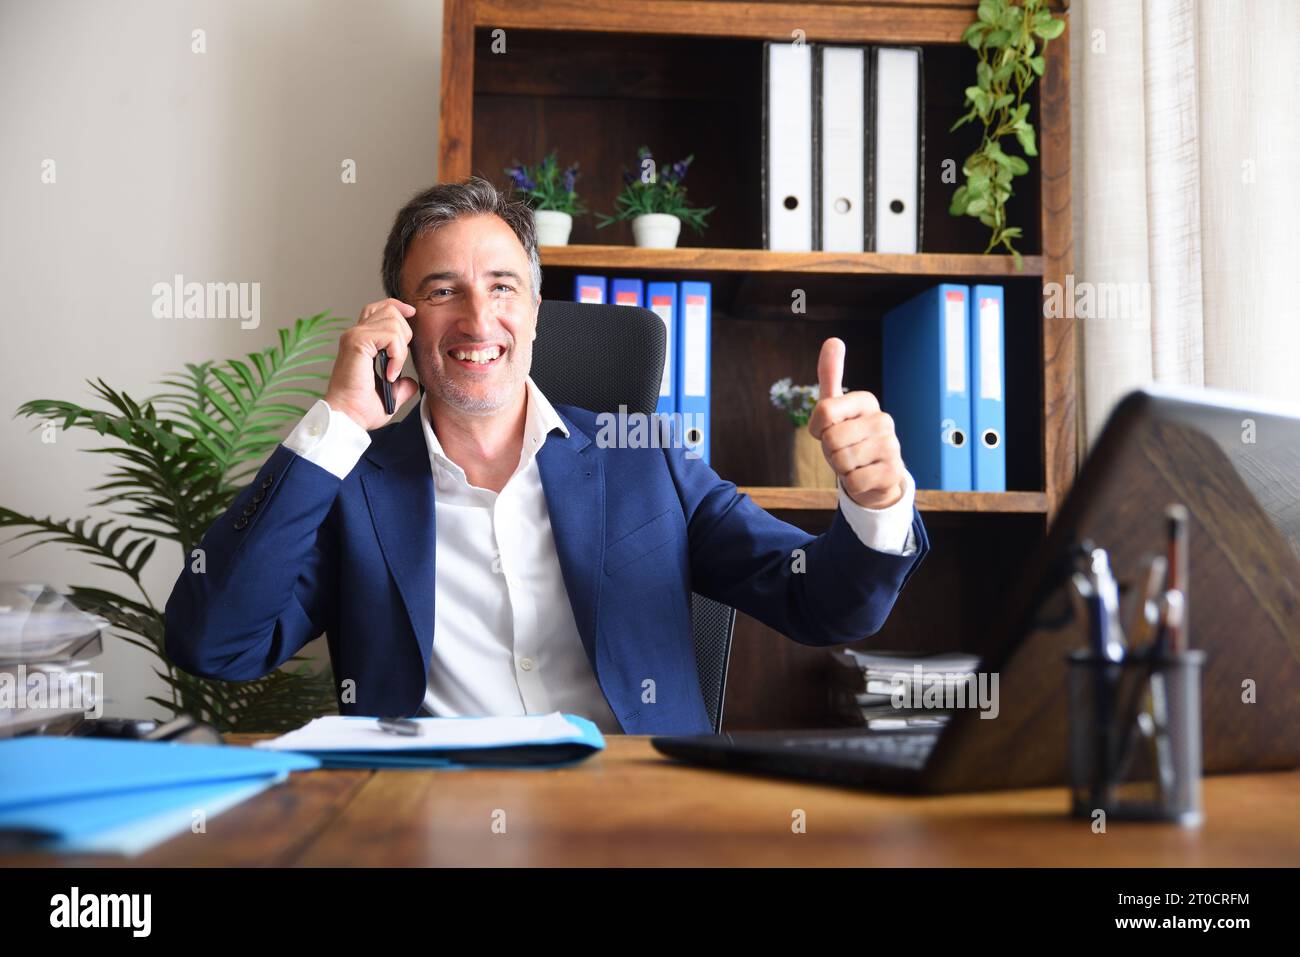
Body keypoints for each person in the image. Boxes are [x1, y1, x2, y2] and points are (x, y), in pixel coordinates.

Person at [164, 176, 929, 734]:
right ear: (398, 319)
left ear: (534, 310)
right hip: (428, 825)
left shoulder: (644, 459)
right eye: (441, 291)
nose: (477, 318)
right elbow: (215, 643)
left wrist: (875, 502)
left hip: (633, 822)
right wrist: (337, 422)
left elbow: (825, 604)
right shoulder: (352, 489)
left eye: (502, 286)